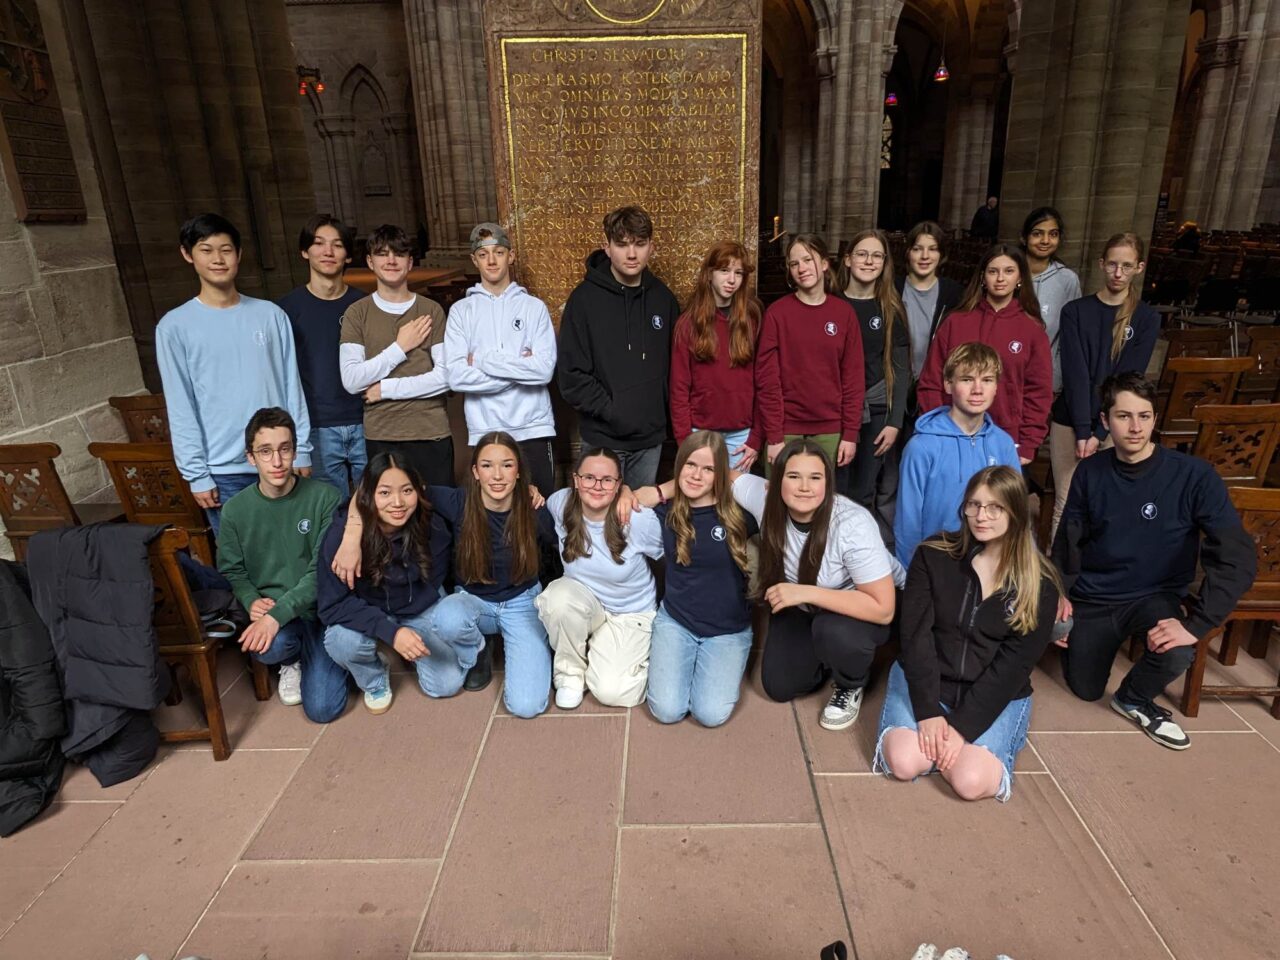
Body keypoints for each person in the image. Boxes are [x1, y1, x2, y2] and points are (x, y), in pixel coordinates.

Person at [1052, 373, 1256, 750]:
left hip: (1153, 595)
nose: (1134, 427)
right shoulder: (1090, 472)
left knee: (1179, 648)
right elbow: (1068, 543)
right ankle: (1091, 645)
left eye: (1144, 416)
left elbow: (1237, 555)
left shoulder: (1193, 475)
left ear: (1155, 419)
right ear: (1104, 421)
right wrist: (1059, 596)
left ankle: (1133, 698)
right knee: (1084, 688)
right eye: (1124, 416)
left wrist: (1198, 625)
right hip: (1096, 597)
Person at [875, 466, 1061, 802]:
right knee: (903, 762)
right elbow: (916, 637)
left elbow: (1013, 667)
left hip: (992, 689)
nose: (981, 516)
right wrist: (929, 711)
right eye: (973, 505)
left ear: (1016, 512)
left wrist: (961, 729)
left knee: (969, 782)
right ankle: (939, 748)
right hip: (930, 678)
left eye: (995, 507)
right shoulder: (933, 554)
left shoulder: (1040, 584)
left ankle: (957, 750)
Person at [156, 213, 312, 535]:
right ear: (188, 255)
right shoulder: (175, 327)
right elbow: (180, 405)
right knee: (243, 566)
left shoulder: (271, 315)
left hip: (279, 461)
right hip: (223, 470)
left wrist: (302, 450)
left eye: (226, 249)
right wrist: (197, 474)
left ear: (239, 255)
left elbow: (291, 388)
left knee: (295, 554)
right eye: (206, 249)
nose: (218, 259)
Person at [736, 439, 900, 731]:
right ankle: (825, 655)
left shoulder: (852, 524)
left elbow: (883, 608)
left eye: (815, 478)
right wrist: (656, 492)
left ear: (828, 483)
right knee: (779, 686)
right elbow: (723, 476)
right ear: (776, 481)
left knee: (834, 632)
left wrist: (804, 592)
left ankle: (851, 682)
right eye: (793, 476)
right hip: (804, 603)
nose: (804, 487)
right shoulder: (766, 500)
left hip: (864, 603)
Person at [216, 408, 347, 721]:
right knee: (268, 648)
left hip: (320, 611)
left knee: (323, 710)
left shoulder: (326, 497)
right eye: (265, 451)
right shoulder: (235, 509)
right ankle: (292, 660)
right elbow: (232, 569)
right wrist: (251, 601)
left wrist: (274, 617)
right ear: (251, 457)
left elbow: (322, 570)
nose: (276, 462)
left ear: (294, 451)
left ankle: (333, 657)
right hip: (278, 611)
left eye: (284, 449)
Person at [317, 453, 471, 714]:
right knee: (341, 641)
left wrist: (527, 490)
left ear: (419, 490)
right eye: (385, 493)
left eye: (407, 491)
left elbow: (484, 497)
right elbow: (331, 606)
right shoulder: (343, 540)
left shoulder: (430, 523)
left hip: (419, 606)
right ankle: (374, 676)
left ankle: (408, 642)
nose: (397, 503)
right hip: (367, 610)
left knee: (446, 685)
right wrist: (390, 632)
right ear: (368, 496)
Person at [557, 206, 680, 487]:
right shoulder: (583, 301)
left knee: (638, 520)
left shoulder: (664, 299)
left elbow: (676, 369)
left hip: (650, 441)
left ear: (652, 246)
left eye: (640, 244)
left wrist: (660, 417)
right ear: (607, 247)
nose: (632, 254)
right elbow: (571, 375)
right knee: (600, 522)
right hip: (602, 439)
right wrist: (614, 412)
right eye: (622, 245)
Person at [640, 432, 758, 727]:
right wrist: (652, 493)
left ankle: (712, 665)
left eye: (708, 469)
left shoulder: (739, 513)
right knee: (666, 711)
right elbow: (626, 501)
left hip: (727, 629)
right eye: (690, 465)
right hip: (677, 621)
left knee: (710, 714)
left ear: (721, 473)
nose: (696, 475)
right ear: (679, 466)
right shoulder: (665, 512)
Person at [1049, 233, 1159, 539]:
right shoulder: (1076, 311)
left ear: (1139, 267)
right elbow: (1075, 374)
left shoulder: (1146, 317)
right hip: (1072, 418)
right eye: (1112, 265)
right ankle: (1058, 579)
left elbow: (1127, 379)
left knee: (1107, 503)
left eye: (1126, 266)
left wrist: (1100, 432)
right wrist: (1084, 430)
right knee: (1066, 502)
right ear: (1101, 265)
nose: (1118, 273)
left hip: (1115, 422)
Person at [537, 448, 664, 708]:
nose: (597, 486)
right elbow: (532, 504)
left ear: (619, 485)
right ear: (576, 480)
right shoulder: (561, 503)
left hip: (630, 613)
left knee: (612, 692)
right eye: (589, 478)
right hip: (586, 605)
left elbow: (676, 557)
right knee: (558, 598)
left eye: (607, 480)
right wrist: (528, 491)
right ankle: (570, 676)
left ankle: (629, 653)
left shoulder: (637, 520)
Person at [445, 222, 557, 494]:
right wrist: (519, 371)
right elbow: (457, 377)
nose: (492, 260)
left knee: (539, 513)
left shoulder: (534, 308)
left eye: (498, 252)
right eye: (483, 255)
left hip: (533, 427)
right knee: (491, 518)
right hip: (485, 429)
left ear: (511, 255)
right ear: (474, 260)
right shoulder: (461, 312)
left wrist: (484, 362)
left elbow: (543, 372)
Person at [339, 224, 452, 486]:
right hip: (383, 435)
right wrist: (400, 348)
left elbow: (447, 377)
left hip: (431, 431)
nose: (390, 260)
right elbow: (352, 380)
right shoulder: (358, 313)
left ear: (410, 262)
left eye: (399, 254)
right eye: (382, 253)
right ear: (370, 261)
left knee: (438, 516)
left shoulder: (431, 310)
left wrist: (385, 389)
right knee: (390, 518)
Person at [916, 244, 1051, 465]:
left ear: (1020, 278)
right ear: (982, 277)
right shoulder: (955, 322)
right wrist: (936, 429)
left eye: (1008, 271)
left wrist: (1028, 443)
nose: (1000, 278)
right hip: (952, 433)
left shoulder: (1032, 330)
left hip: (1007, 436)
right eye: (992, 271)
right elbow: (932, 380)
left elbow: (1038, 392)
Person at [894, 343, 1020, 566]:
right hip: (937, 563)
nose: (978, 389)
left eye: (987, 380)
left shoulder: (1003, 445)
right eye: (967, 379)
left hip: (992, 563)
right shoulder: (922, 446)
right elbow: (908, 521)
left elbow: (1017, 512)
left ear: (996, 387)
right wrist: (910, 576)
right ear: (948, 385)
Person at [757, 234, 864, 472]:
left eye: (808, 259)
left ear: (824, 263)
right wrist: (774, 436)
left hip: (830, 431)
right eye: (794, 264)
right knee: (777, 503)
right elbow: (768, 381)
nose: (801, 268)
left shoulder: (844, 313)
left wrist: (850, 433)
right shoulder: (777, 314)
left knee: (821, 504)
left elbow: (853, 379)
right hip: (785, 430)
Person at [278, 214, 367, 495]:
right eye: (318, 244)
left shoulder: (364, 305)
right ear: (305, 252)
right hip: (317, 426)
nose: (328, 252)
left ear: (348, 255)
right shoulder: (286, 310)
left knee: (379, 509)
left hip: (367, 420)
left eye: (337, 245)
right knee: (329, 512)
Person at [669, 240, 771, 472]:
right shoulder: (687, 324)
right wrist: (685, 441)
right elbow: (679, 389)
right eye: (724, 271)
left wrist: (756, 438)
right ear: (709, 274)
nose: (732, 280)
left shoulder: (753, 318)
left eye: (739, 273)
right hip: (700, 432)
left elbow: (763, 382)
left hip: (741, 435)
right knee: (702, 500)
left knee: (734, 503)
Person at [838, 229, 909, 543]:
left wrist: (895, 422)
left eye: (877, 255)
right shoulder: (831, 303)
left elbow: (901, 368)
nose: (869, 261)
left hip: (876, 409)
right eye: (862, 253)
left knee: (864, 490)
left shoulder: (890, 307)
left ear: (885, 263)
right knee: (835, 488)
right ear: (848, 259)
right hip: (836, 410)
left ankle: (859, 558)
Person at [895, 221, 964, 395]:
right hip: (896, 384)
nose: (925, 256)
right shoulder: (892, 289)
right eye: (917, 249)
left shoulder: (954, 293)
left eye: (933, 249)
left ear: (941, 254)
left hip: (938, 386)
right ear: (908, 252)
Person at [1020, 207, 1082, 395]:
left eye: (1053, 234)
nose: (1045, 241)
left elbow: (1070, 336)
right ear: (1024, 237)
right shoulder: (1007, 273)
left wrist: (1057, 379)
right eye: (1038, 234)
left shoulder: (1067, 280)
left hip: (1044, 380)